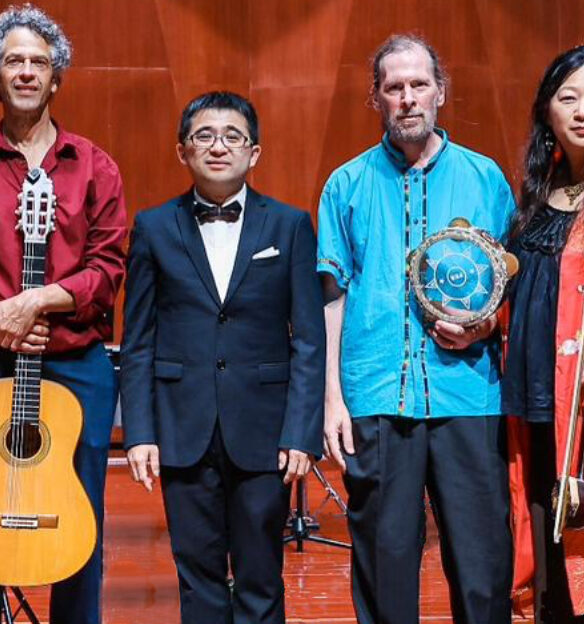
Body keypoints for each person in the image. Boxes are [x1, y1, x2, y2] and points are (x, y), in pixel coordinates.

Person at [0, 5, 126, 623]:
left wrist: (37, 300)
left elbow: (108, 266)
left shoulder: (94, 166)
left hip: (76, 363)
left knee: (81, 515)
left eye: (38, 62)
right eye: (12, 61)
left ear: (56, 77)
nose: (25, 72)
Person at [317, 34, 515, 624]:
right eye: (394, 87)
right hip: (377, 394)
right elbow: (332, 297)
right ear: (376, 98)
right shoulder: (345, 184)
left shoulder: (486, 178)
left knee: (482, 569)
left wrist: (484, 327)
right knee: (385, 569)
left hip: (469, 395)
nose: (407, 97)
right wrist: (332, 399)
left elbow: (511, 283)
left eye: (419, 84)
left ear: (440, 92)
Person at [121, 91, 324, 624]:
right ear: (182, 151)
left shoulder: (289, 225)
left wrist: (302, 432)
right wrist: (140, 432)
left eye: (233, 136)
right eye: (204, 136)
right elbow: (138, 339)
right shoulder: (153, 227)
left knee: (262, 578)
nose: (218, 146)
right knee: (198, 578)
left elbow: (308, 338)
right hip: (182, 429)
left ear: (254, 153)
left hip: (265, 431)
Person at [503, 44, 584, 623]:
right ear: (546, 111)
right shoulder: (536, 197)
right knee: (545, 526)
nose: (582, 111)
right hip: (534, 396)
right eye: (569, 97)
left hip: (580, 400)